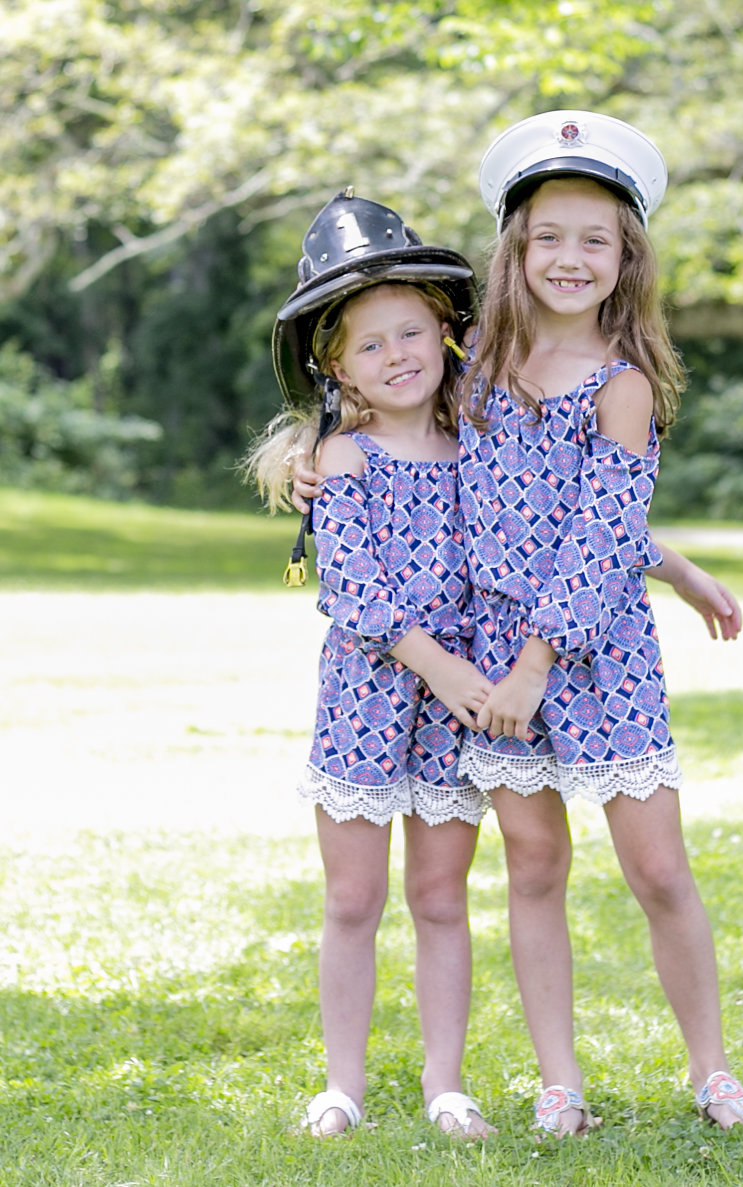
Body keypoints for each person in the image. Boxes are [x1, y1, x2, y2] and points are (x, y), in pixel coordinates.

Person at [458, 109, 743, 1137]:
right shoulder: (473, 374)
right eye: (548, 234)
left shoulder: (622, 385)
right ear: (516, 249)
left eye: (595, 238)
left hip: (591, 657)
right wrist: (679, 562)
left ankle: (714, 1071)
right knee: (535, 866)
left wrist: (543, 662)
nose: (569, 256)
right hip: (493, 652)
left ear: (626, 258)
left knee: (655, 866)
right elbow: (485, 500)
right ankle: (558, 1079)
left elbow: (599, 533)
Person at [244, 190, 498, 1140]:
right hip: (372, 694)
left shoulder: (480, 445)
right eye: (370, 344)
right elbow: (356, 597)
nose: (397, 356)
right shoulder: (343, 462)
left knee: (441, 896)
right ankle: (341, 1085)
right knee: (354, 898)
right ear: (335, 365)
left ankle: (446, 1083)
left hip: (457, 704)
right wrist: (442, 669)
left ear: (444, 331)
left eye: (410, 333)